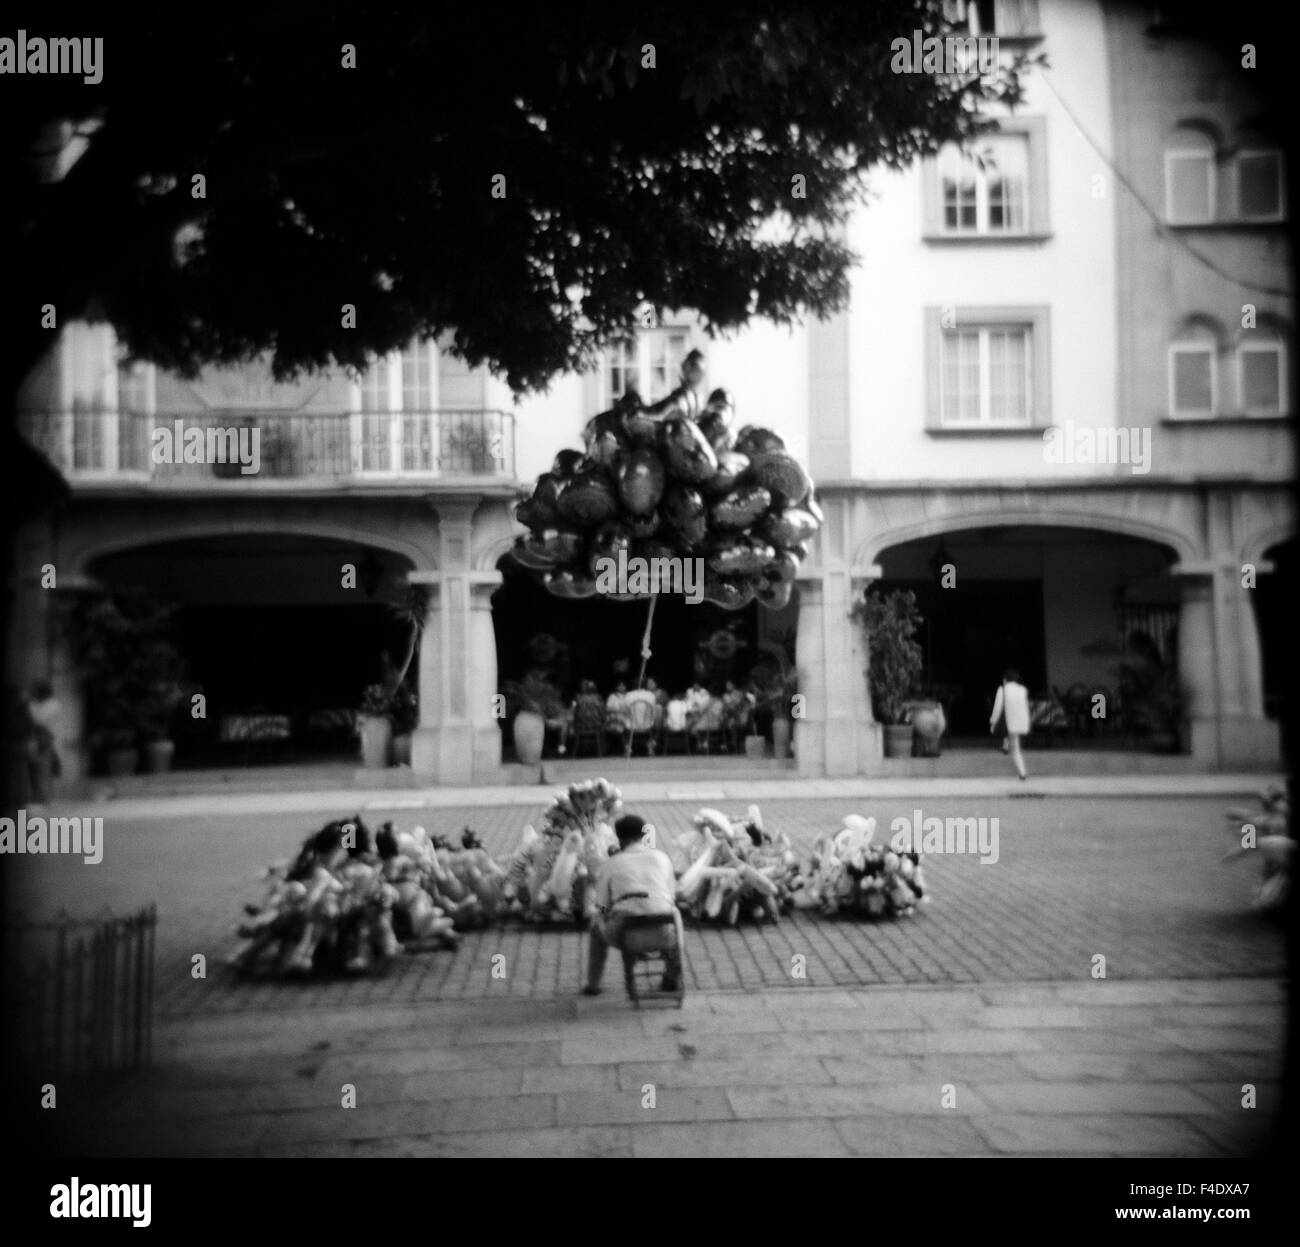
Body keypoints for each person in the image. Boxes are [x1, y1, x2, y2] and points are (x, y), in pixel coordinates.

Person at [582, 813, 681, 996]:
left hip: (624, 933)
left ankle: (593, 984)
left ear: (619, 839)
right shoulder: (662, 858)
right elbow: (671, 897)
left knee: (596, 926)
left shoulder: (611, 864)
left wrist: (604, 914)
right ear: (644, 835)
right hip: (664, 932)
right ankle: (671, 976)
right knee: (674, 919)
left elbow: (602, 904)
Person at [990, 668, 1031, 780]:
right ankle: (1021, 771)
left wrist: (993, 721)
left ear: (1005, 679)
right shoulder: (1022, 689)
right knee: (1015, 744)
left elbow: (998, 708)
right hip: (1021, 722)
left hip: (1009, 722)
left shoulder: (1002, 689)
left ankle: (1022, 773)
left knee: (1015, 748)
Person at [27, 680, 61, 804]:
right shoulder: (34, 703)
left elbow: (38, 719)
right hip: (33, 737)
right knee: (33, 769)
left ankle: (43, 798)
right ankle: (37, 797)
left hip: (45, 738)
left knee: (44, 769)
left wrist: (32, 704)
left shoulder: (52, 704)